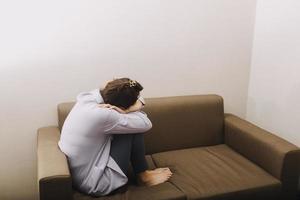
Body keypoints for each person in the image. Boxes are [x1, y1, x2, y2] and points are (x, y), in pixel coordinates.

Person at [58, 77, 172, 197]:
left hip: (81, 174)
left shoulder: (87, 98)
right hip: (95, 183)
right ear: (120, 107)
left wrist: (128, 108)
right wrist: (129, 111)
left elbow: (109, 84)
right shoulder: (105, 115)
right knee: (133, 129)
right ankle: (144, 177)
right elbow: (145, 124)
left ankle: (143, 174)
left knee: (129, 124)